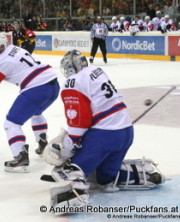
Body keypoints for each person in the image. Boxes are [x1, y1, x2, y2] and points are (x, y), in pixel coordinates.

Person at [43, 50, 165, 211]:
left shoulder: (73, 82)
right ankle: (142, 174)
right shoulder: (96, 71)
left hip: (104, 136)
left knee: (69, 171)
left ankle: (71, 196)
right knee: (103, 178)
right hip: (126, 133)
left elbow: (80, 122)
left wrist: (67, 147)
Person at [0, 33, 60, 173]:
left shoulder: (1, 63)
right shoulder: (14, 48)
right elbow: (1, 57)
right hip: (53, 85)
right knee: (36, 113)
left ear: (1, 46)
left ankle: (20, 157)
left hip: (36, 89)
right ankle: (42, 143)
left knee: (11, 123)